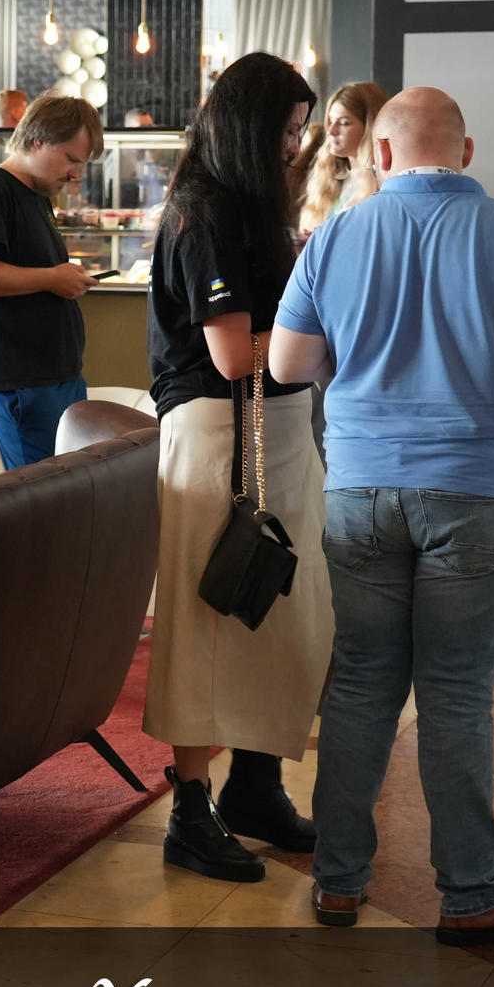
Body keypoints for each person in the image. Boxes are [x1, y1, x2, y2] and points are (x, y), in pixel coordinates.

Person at [270, 86, 494, 944]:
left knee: (360, 685)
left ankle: (338, 881)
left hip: (361, 489)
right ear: (466, 152)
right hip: (476, 491)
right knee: (455, 694)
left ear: (379, 154)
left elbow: (288, 363)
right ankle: (471, 894)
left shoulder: (335, 235)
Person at [142, 52, 325, 883]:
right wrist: (325, 327)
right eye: (286, 129)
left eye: (300, 130)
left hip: (274, 426)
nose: (294, 145)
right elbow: (230, 354)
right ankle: (191, 806)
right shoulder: (204, 209)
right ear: (252, 127)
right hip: (219, 431)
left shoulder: (252, 202)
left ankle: (256, 783)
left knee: (285, 610)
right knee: (207, 618)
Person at [0, 91, 103, 468]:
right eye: (71, 159)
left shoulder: (36, 195)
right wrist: (51, 278)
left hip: (51, 374)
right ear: (38, 140)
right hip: (21, 380)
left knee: (66, 486)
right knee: (42, 492)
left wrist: (62, 277)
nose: (76, 174)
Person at [298, 81, 388, 238]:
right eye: (331, 121)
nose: (331, 131)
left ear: (370, 127)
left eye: (344, 123)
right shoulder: (331, 179)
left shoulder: (384, 187)